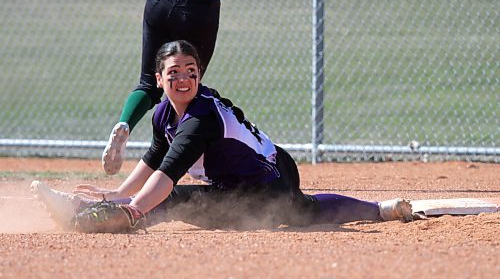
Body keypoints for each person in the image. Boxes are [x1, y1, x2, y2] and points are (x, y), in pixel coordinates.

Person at [32, 40, 414, 233]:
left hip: (257, 190)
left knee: (171, 200)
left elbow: (166, 178)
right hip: (275, 168)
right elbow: (153, 159)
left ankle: (83, 218)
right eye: (174, 72)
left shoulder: (200, 118)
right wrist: (113, 195)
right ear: (159, 78)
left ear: (199, 74)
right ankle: (380, 209)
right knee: (304, 210)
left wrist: (132, 209)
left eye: (190, 70)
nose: (183, 78)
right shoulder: (166, 112)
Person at [102, 0, 253, 175]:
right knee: (188, 85)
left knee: (149, 83)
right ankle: (179, 156)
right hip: (195, 10)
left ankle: (125, 124)